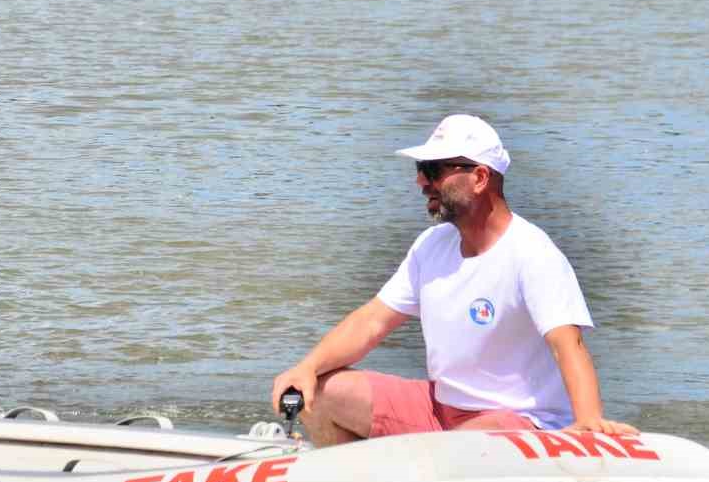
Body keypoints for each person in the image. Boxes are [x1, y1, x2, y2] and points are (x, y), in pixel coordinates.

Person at [270, 114, 634, 447]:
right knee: (317, 392)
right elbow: (371, 322)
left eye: (433, 170)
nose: (420, 182)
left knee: (463, 443)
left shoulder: (532, 253)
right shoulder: (430, 246)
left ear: (479, 178)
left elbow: (568, 345)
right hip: (440, 410)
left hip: (519, 422)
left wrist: (588, 421)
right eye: (420, 169)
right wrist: (308, 366)